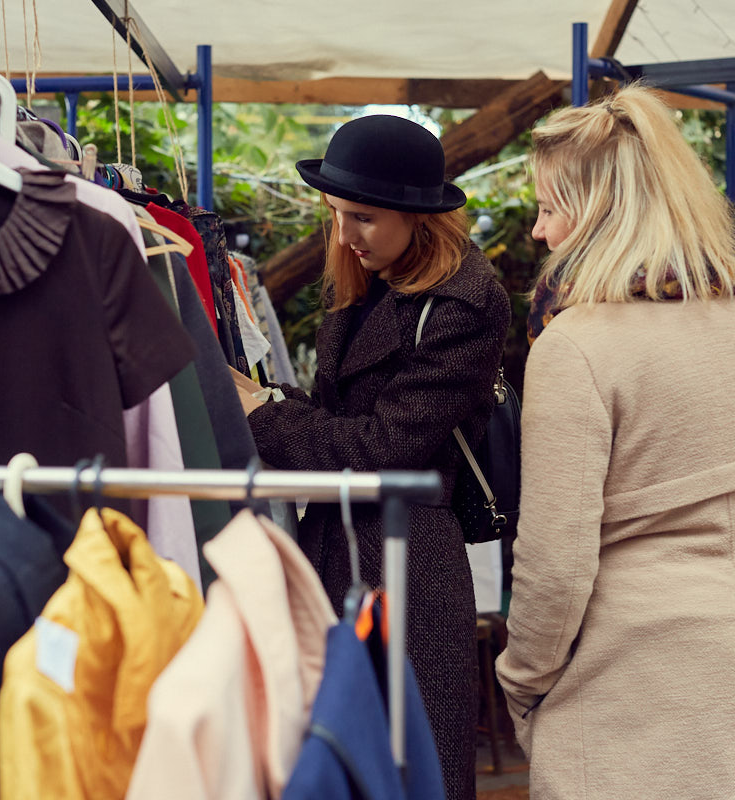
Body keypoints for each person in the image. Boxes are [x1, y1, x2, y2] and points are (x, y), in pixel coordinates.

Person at [496, 85, 735, 800]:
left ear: (599, 217)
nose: (538, 232)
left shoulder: (575, 347)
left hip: (631, 688)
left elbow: (556, 563)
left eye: (551, 208)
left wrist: (521, 682)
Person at [237, 114, 511, 800]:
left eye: (361, 217)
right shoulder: (361, 278)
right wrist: (264, 397)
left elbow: (386, 449)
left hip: (409, 561)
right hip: (334, 546)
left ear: (419, 217)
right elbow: (345, 417)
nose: (341, 235)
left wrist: (266, 415)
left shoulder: (466, 302)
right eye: (334, 213)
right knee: (334, 762)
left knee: (409, 768)